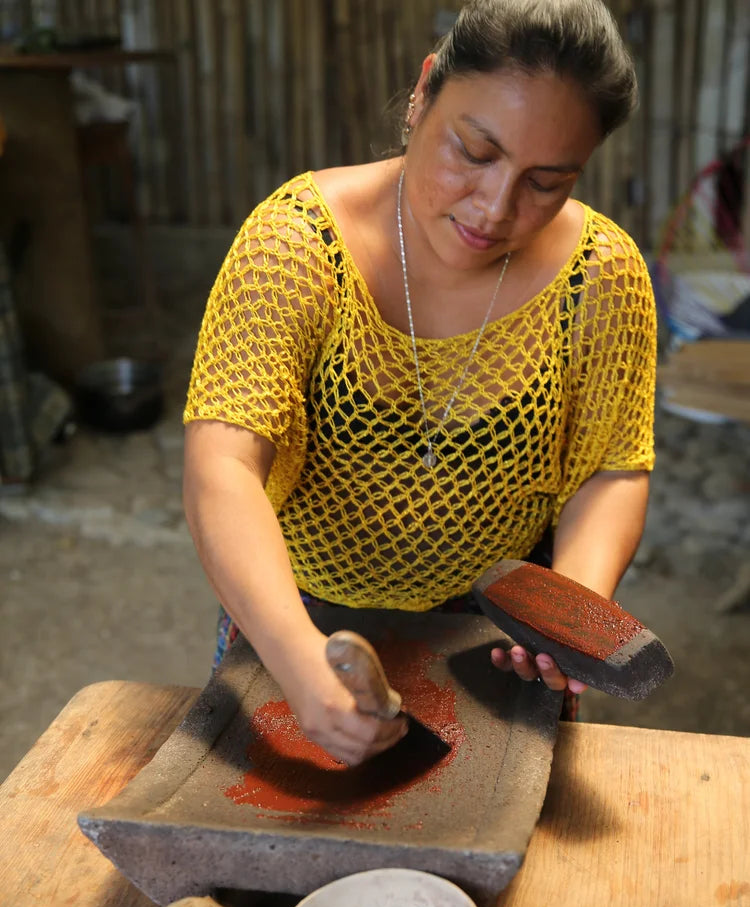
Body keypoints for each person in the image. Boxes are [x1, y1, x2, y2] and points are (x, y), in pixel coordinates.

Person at [183, 0, 656, 767]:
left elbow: (610, 466)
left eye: (547, 181)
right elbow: (224, 465)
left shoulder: (601, 278)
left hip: (505, 634)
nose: (495, 207)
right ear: (423, 91)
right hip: (298, 619)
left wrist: (569, 612)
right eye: (472, 152)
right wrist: (301, 662)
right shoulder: (295, 246)